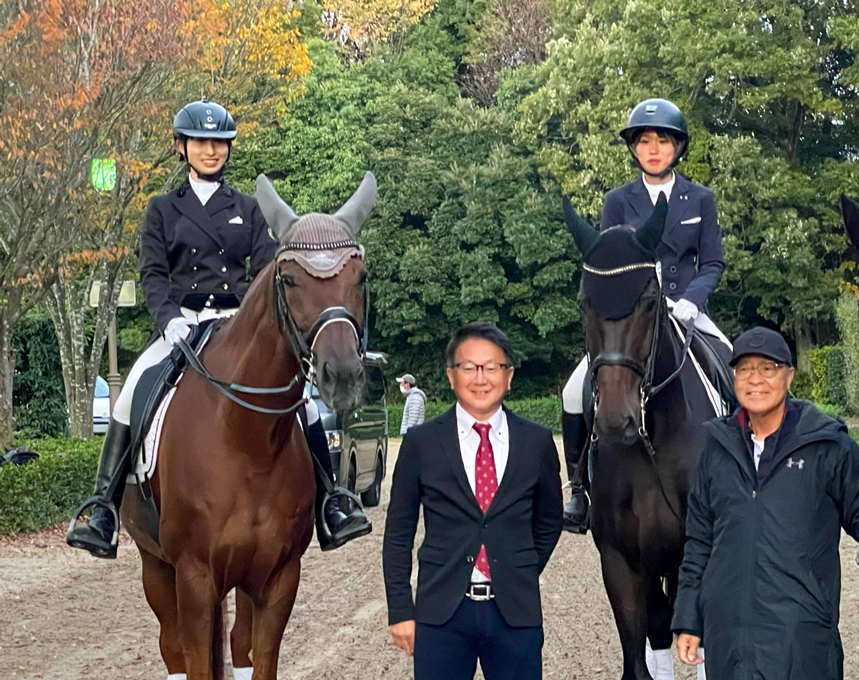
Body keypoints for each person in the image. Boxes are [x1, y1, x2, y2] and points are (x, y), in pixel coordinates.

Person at [66, 99, 370, 558]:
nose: (212, 151)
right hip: (183, 323)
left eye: (221, 143)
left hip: (239, 322)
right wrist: (168, 320)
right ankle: (103, 506)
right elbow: (152, 274)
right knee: (134, 387)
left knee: (300, 399)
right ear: (181, 147)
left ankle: (332, 501)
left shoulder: (248, 210)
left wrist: (249, 319)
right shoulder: (163, 209)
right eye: (202, 143)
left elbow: (269, 271)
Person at [671, 327, 859, 680]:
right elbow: (699, 542)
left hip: (801, 645)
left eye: (768, 368)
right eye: (745, 369)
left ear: (789, 377)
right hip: (729, 646)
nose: (755, 379)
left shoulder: (827, 446)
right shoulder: (716, 448)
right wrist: (689, 620)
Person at [560, 97, 730, 532]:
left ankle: (744, 476)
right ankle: (579, 487)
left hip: (688, 311)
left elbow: (712, 262)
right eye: (644, 141)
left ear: (678, 148)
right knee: (573, 389)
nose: (653, 149)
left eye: (663, 141)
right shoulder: (618, 201)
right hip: (633, 316)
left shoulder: (700, 199)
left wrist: (691, 300)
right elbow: (610, 260)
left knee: (734, 368)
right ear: (634, 148)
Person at [384, 322, 564, 680]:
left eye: (491, 367)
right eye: (469, 367)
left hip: (516, 615)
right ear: (452, 376)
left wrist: (516, 567)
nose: (480, 378)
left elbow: (549, 521)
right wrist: (401, 610)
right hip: (442, 615)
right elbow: (399, 532)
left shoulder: (537, 442)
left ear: (508, 375)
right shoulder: (421, 444)